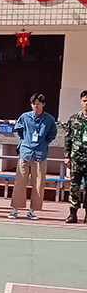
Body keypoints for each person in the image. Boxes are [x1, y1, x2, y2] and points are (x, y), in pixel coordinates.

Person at [10, 93, 58, 220]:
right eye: (33, 104)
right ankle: (15, 209)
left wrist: (43, 143)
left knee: (38, 183)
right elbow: (19, 130)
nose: (36, 106)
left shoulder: (49, 119)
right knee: (20, 181)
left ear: (43, 104)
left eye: (38, 103)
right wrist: (26, 140)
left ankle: (32, 210)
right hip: (25, 152)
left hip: (40, 154)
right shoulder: (25, 117)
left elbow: (52, 135)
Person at [64, 90, 87, 223]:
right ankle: (73, 214)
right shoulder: (73, 119)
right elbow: (68, 139)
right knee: (74, 187)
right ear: (81, 102)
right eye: (84, 101)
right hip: (76, 159)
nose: (86, 103)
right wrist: (67, 156)